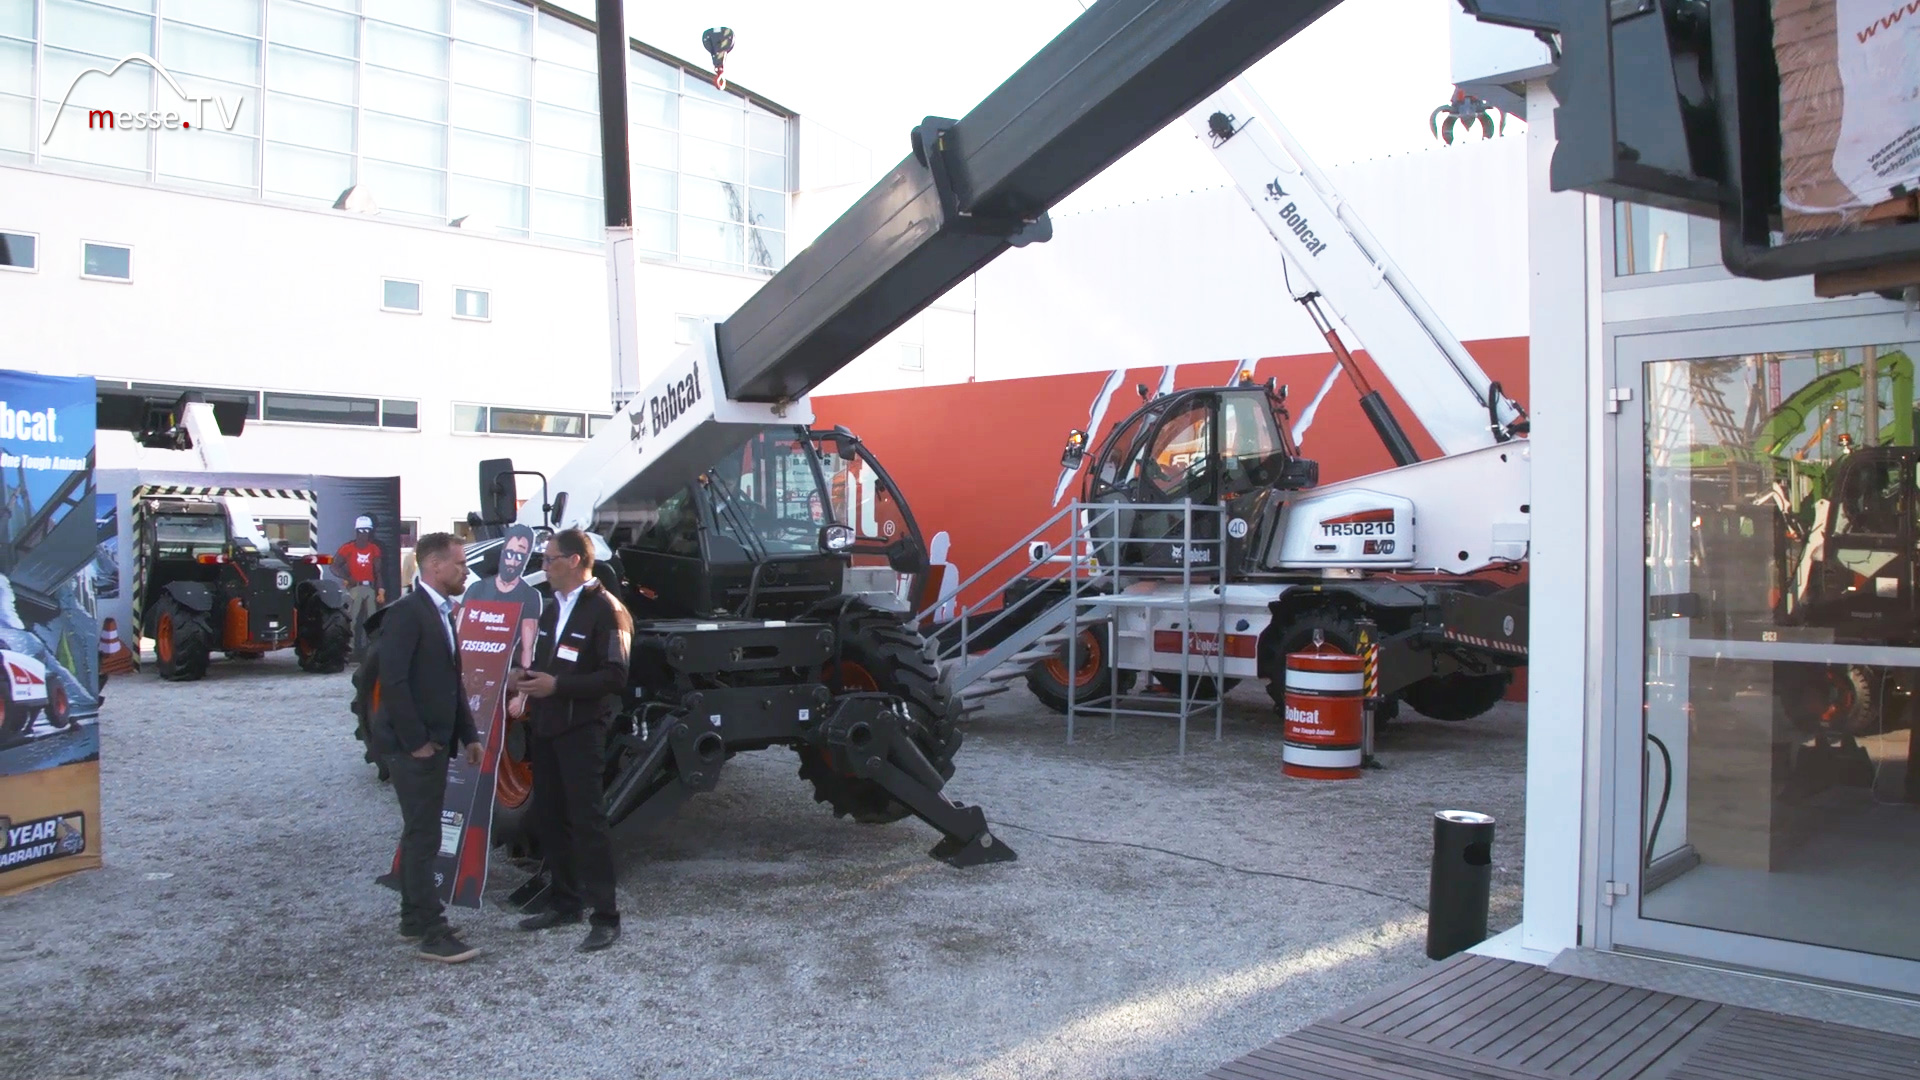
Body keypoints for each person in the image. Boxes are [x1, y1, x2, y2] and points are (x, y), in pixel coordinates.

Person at [511, 528, 632, 952]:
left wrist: (557, 686)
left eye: (549, 559)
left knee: (588, 822)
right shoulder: (549, 610)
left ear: (576, 561)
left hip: (581, 731)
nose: (544, 567)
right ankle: (565, 902)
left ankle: (606, 916)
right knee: (550, 816)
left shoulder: (606, 610)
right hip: (545, 728)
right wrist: (522, 681)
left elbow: (615, 677)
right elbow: (544, 663)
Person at [368, 531, 485, 963]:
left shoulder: (440, 612)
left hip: (435, 743)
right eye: (458, 564)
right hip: (412, 749)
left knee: (422, 832)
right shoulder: (406, 614)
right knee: (424, 836)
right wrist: (416, 741)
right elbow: (393, 682)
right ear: (433, 567)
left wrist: (468, 735)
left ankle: (413, 919)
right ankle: (431, 931)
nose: (465, 571)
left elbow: (449, 682)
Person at [461, 524, 542, 718]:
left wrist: (521, 697)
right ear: (502, 551)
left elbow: (528, 651)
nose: (513, 561)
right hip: (467, 683)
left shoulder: (529, 596)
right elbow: (458, 638)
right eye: (509, 553)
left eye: (520, 556)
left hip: (503, 685)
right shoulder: (476, 590)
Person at [334, 516, 385, 663]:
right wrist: (347, 578)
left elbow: (378, 572)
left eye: (367, 531)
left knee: (372, 620)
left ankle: (373, 650)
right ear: (356, 532)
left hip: (369, 588)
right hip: (355, 588)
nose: (364, 534)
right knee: (352, 620)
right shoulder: (348, 548)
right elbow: (334, 565)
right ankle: (349, 650)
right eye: (361, 531)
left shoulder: (374, 549)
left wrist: (381, 590)